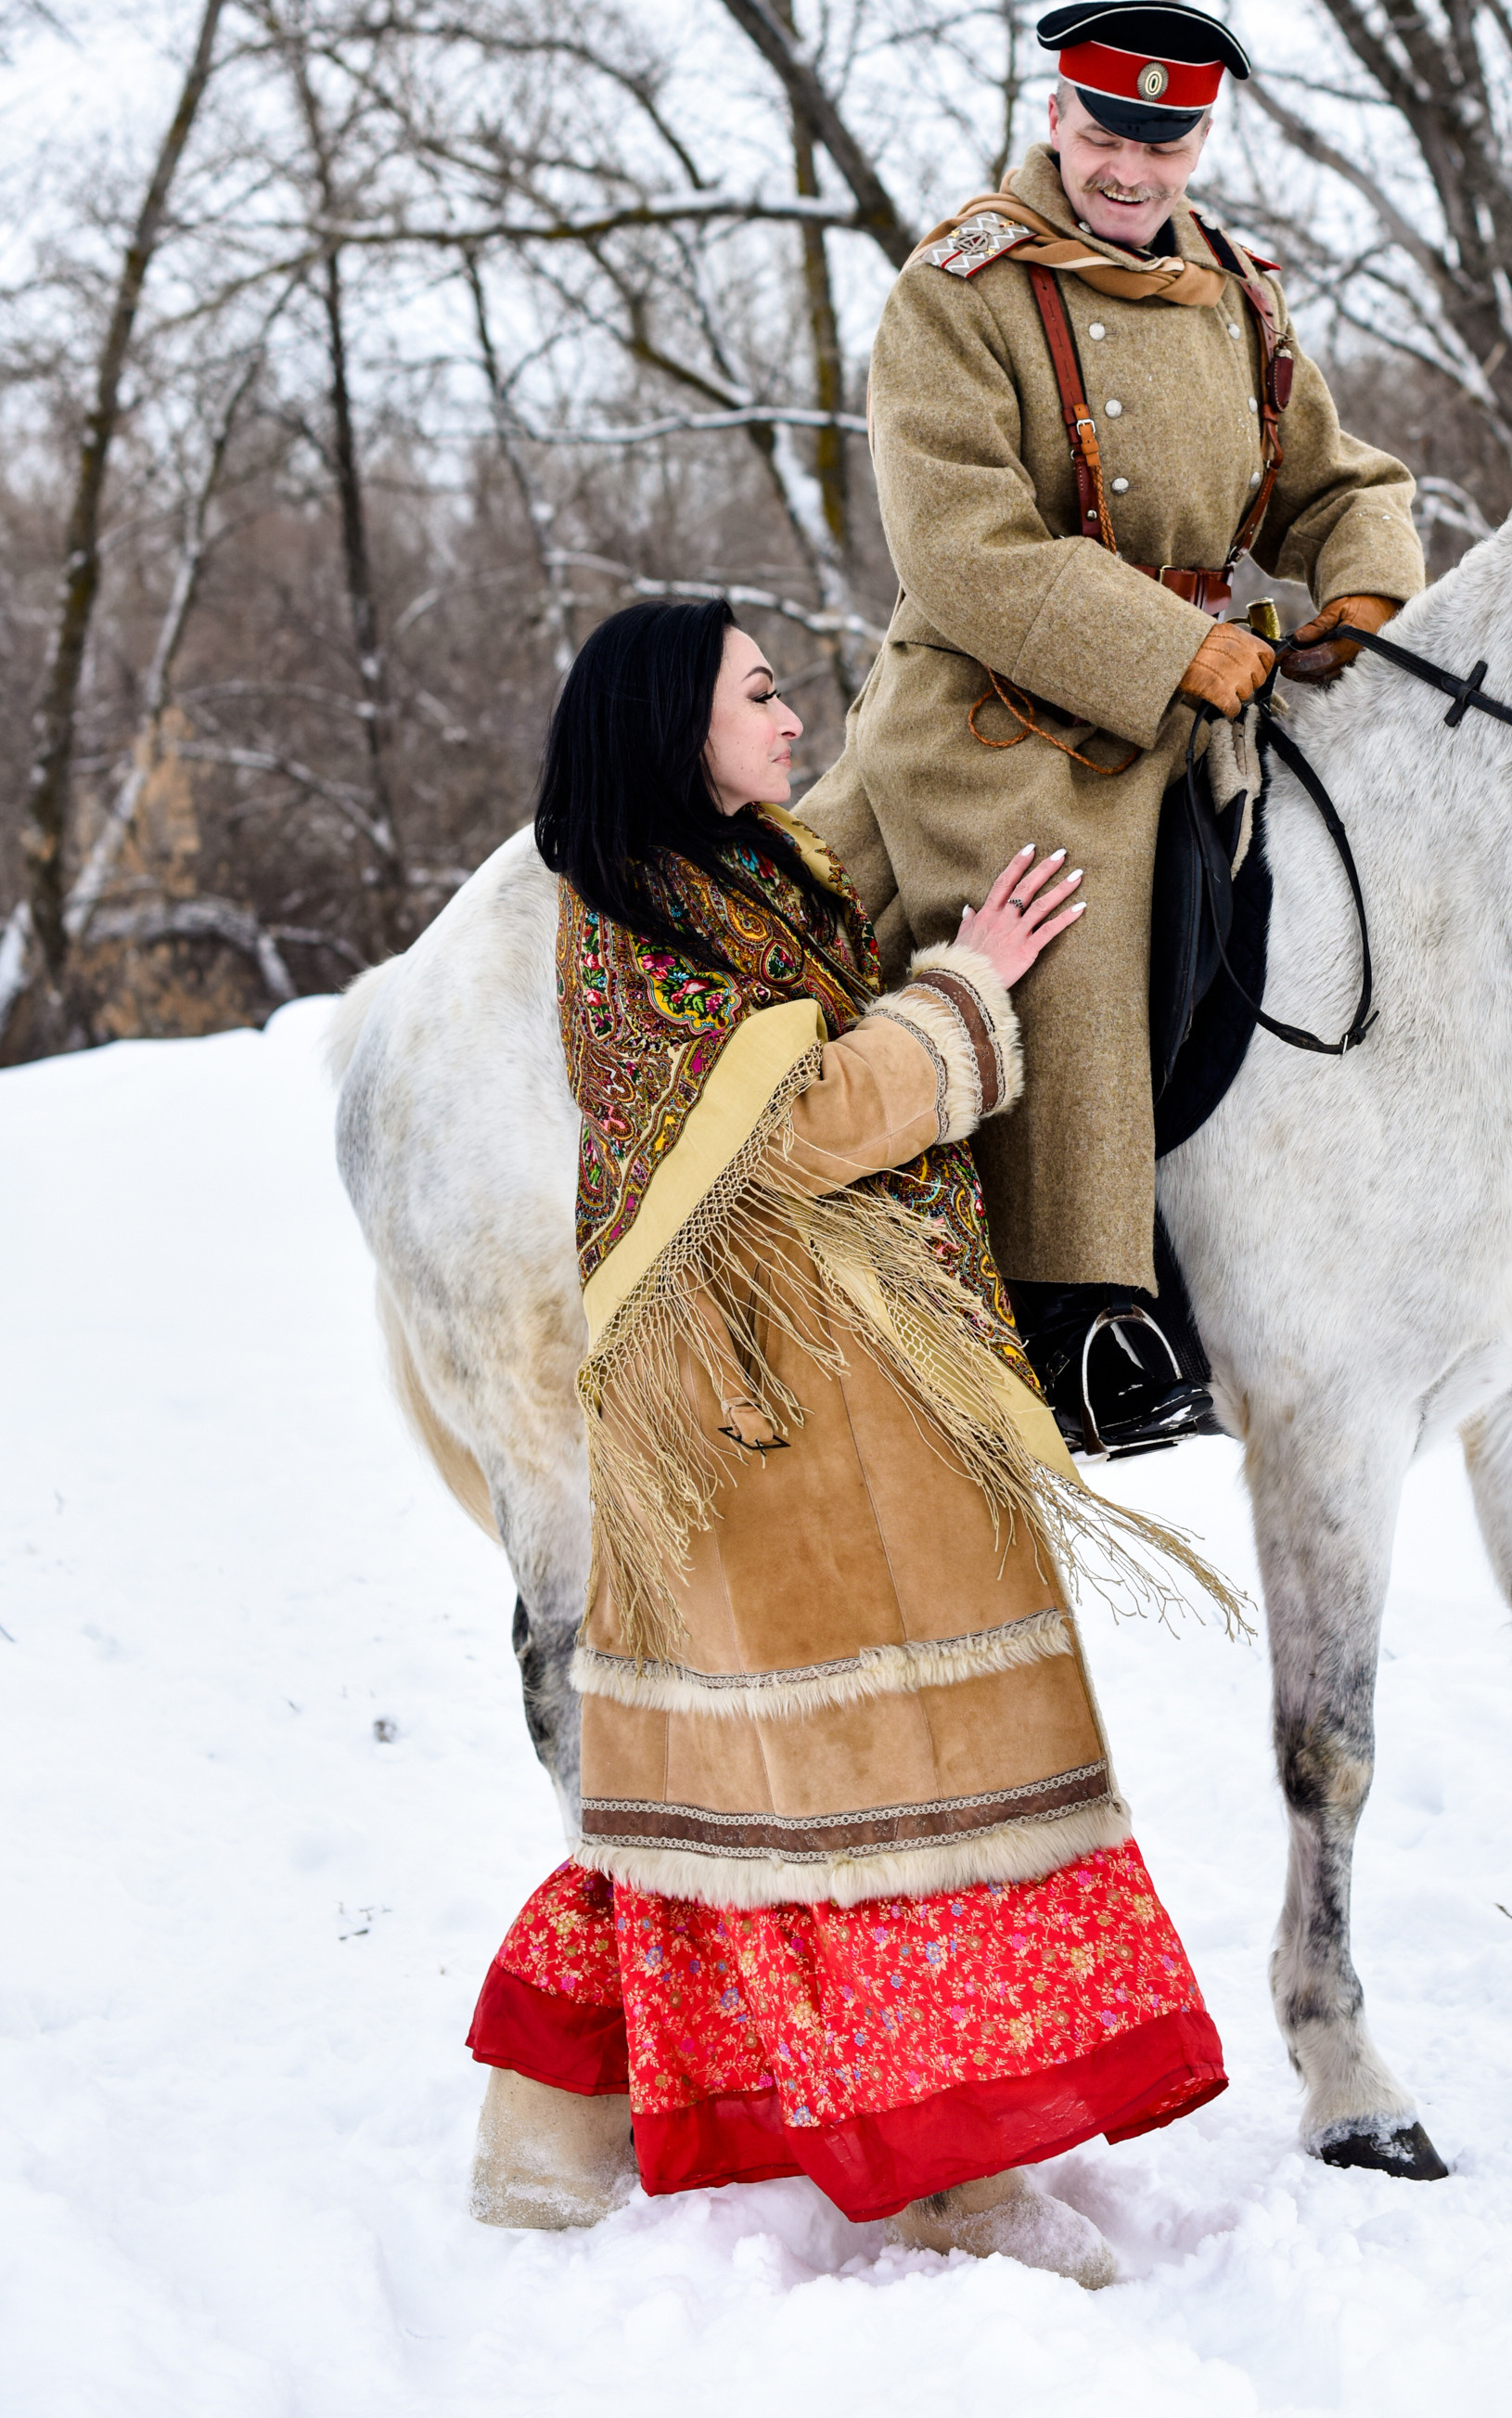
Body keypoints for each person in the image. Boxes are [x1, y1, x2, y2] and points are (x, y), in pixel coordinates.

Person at [466, 599, 1229, 2281]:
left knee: (724, 1778)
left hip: (833, 1372)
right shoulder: (633, 916)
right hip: (775, 1402)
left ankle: (552, 2141)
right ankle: (951, 2172)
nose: (791, 716)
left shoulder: (753, 875)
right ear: (675, 725)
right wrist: (968, 996)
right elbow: (791, 1131)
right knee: (886, 1777)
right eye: (759, 694)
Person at [800, 0, 1426, 1454]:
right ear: (1056, 117)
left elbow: (1338, 481)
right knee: (1068, 916)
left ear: (1203, 137)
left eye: (1169, 139)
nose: (1130, 170)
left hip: (1207, 692)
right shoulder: (957, 289)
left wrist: (1367, 586)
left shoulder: (1242, 296)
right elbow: (965, 548)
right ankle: (1074, 1322)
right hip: (997, 706)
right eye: (1104, 133)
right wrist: (1172, 647)